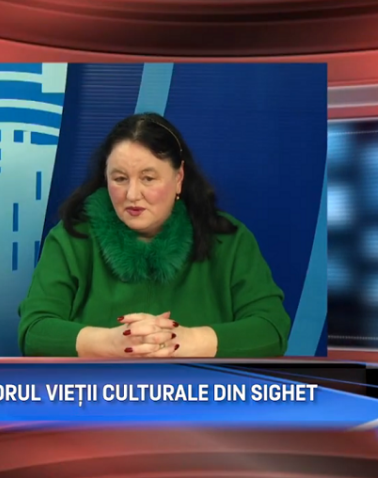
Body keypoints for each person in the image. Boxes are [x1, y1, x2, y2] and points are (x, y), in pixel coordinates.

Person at [18, 113, 291, 358]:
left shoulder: (229, 239)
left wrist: (186, 341)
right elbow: (35, 330)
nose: (132, 194)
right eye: (119, 178)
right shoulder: (71, 238)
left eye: (148, 178)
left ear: (179, 178)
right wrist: (112, 343)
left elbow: (271, 329)